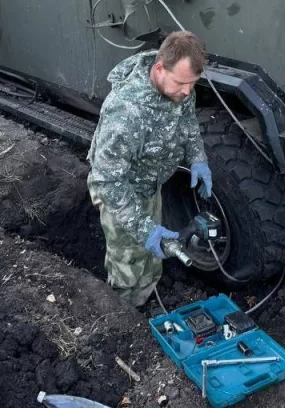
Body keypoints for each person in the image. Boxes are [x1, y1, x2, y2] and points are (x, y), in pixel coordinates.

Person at [87, 31, 214, 307]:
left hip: (149, 183)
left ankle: (147, 298)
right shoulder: (126, 114)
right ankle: (124, 316)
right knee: (128, 263)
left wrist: (197, 158)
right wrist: (144, 229)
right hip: (121, 194)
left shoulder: (179, 88)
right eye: (182, 83)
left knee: (152, 255)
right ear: (159, 68)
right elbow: (107, 181)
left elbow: (188, 120)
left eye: (192, 84)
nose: (187, 91)